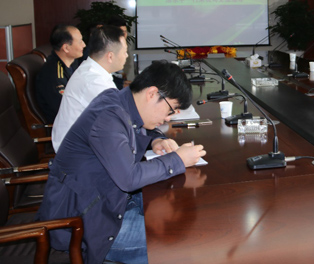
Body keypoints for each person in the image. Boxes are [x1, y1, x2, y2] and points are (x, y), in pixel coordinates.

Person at [36, 60, 206, 264]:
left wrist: (155, 140)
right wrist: (177, 159)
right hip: (83, 222)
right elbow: (129, 178)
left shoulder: (118, 101)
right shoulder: (108, 117)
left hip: (108, 203)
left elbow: (131, 132)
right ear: (152, 93)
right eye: (171, 110)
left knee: (184, 217)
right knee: (182, 244)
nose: (168, 119)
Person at [52, 25, 128, 152]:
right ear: (110, 56)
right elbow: (122, 117)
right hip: (76, 154)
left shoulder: (93, 71)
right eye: (124, 51)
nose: (127, 55)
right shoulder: (94, 81)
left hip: (85, 143)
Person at [35, 24, 86, 123]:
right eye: (80, 41)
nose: (84, 45)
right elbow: (66, 109)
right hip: (67, 126)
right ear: (66, 48)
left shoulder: (73, 64)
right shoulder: (53, 75)